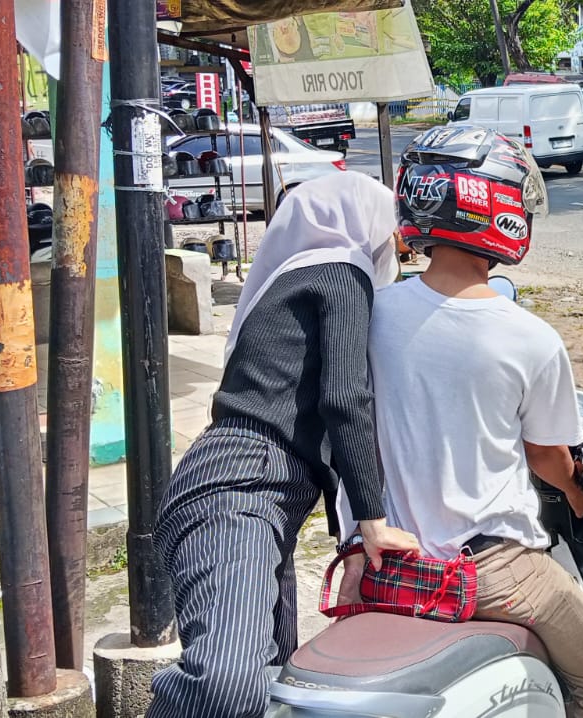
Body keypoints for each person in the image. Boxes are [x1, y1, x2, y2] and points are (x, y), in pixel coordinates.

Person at [333, 125, 583, 717]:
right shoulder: (529, 338)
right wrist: (578, 495)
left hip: (387, 562)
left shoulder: (371, 311)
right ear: (489, 208)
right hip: (492, 571)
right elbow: (547, 457)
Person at [148, 171, 413, 718]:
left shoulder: (298, 278)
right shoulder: (341, 269)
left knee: (274, 688)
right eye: (392, 234)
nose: (394, 248)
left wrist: (355, 542)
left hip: (259, 494)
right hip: (239, 487)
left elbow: (334, 432)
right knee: (228, 682)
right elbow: (346, 401)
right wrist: (373, 519)